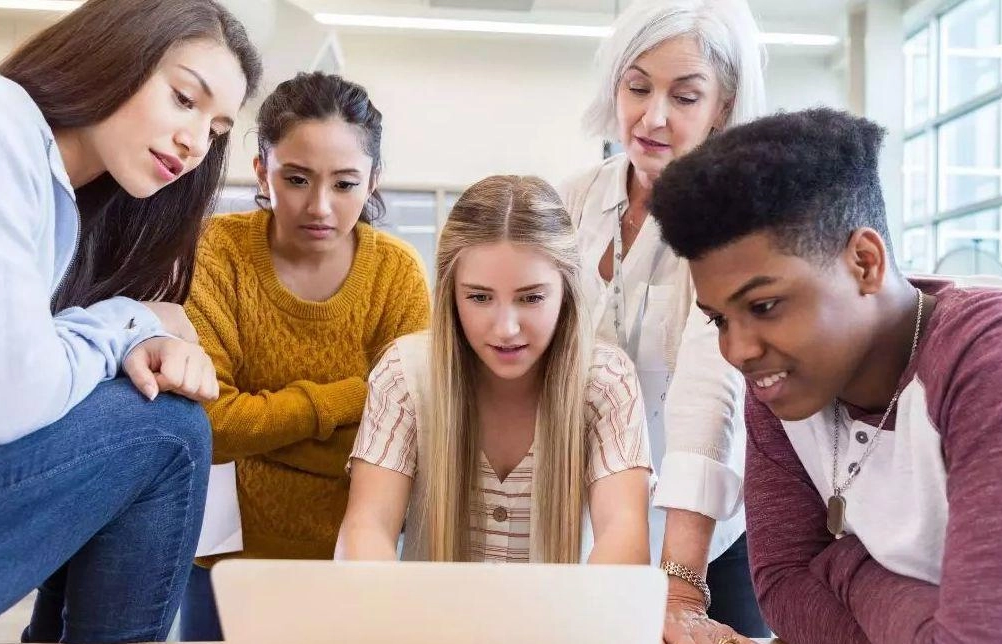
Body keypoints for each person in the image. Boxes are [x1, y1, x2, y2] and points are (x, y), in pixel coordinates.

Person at [650, 107, 1002, 644]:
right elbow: (783, 588)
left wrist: (845, 567)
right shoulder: (779, 382)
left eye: (766, 305)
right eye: (719, 319)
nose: (738, 350)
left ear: (864, 262)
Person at [0, 0, 262, 641]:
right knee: (169, 431)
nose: (194, 141)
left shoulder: (70, 214)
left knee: (144, 414)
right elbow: (6, 395)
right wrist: (128, 323)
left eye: (216, 130)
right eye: (184, 97)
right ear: (117, 49)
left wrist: (131, 334)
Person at [179, 72, 431, 640]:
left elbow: (405, 436)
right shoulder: (215, 254)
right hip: (224, 564)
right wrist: (353, 398)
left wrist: (264, 440)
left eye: (344, 184)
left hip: (355, 558)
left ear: (373, 183)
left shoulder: (396, 273)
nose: (319, 206)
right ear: (262, 169)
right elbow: (210, 428)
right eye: (296, 179)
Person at [558, 0, 768, 638]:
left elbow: (709, 397)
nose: (653, 116)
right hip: (593, 517)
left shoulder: (736, 220)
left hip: (706, 537)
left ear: (722, 107)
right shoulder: (573, 200)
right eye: (638, 87)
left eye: (685, 96)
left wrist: (680, 586)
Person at [336, 175, 651, 565]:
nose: (506, 329)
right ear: (451, 292)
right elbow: (367, 526)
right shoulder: (403, 375)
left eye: (531, 297)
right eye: (480, 297)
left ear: (566, 290)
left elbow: (624, 531)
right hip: (428, 624)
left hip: (565, 624)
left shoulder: (607, 381)